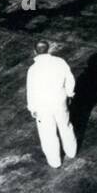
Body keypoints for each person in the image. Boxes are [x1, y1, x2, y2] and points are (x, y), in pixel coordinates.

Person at [26, 40, 77, 168]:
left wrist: (32, 108)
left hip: (43, 105)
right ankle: (71, 152)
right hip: (60, 100)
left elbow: (31, 90)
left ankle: (55, 162)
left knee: (47, 133)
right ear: (48, 49)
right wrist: (70, 94)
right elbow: (70, 79)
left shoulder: (33, 69)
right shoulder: (60, 62)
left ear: (35, 51)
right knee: (65, 126)